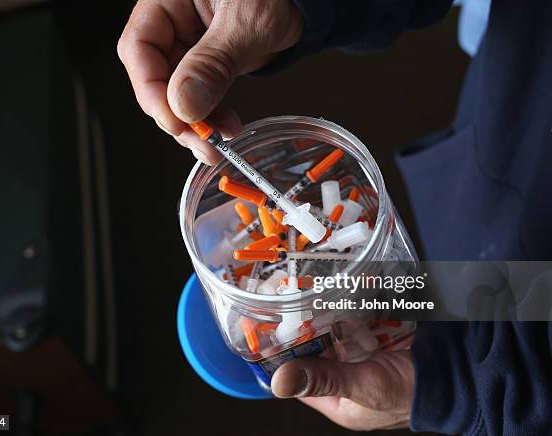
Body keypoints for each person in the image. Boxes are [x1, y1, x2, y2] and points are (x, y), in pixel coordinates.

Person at [117, 1, 552, 433]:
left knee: (459, 290)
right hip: (520, 109)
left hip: (511, 328)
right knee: (464, 282)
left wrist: (471, 392)